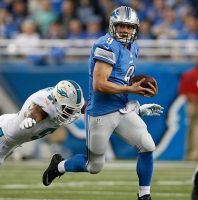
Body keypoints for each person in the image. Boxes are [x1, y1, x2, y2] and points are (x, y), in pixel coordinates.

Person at [42, 6, 163, 200]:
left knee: (147, 145)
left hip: (122, 109)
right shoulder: (106, 45)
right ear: (112, 26)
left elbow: (123, 80)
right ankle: (58, 166)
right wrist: (131, 90)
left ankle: (144, 195)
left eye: (129, 27)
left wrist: (136, 107)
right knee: (94, 166)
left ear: (136, 29)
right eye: (121, 25)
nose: (125, 30)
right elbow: (100, 84)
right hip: (101, 113)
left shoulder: (134, 47)